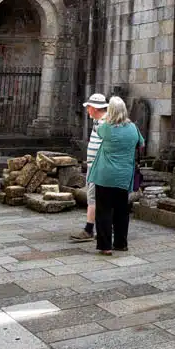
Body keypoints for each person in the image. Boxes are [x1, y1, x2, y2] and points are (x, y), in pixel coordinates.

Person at [85, 95, 144, 255]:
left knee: (103, 210)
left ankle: (105, 246)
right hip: (123, 176)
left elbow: (99, 130)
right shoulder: (133, 128)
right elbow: (141, 143)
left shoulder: (107, 128)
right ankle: (120, 243)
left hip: (104, 175)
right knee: (121, 210)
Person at [69, 92, 108, 242]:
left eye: (89, 107)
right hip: (94, 166)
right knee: (93, 197)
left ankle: (93, 229)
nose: (87, 110)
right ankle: (90, 228)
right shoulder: (98, 121)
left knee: (98, 198)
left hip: (100, 167)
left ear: (95, 108)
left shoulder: (105, 123)